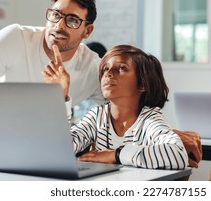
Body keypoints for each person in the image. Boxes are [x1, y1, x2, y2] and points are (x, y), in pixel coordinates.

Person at [44, 44, 192, 169]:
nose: (108, 74)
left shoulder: (149, 119)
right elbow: (59, 148)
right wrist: (60, 95)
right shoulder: (97, 116)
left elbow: (177, 154)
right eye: (105, 69)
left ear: (142, 84)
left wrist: (115, 155)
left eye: (121, 68)